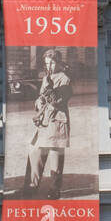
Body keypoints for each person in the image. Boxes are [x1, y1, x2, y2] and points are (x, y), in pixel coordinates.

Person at [22, 49, 72, 199]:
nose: (48, 66)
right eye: (46, 63)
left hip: (57, 120)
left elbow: (59, 101)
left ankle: (54, 189)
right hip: (44, 121)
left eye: (51, 63)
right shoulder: (46, 78)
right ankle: (32, 185)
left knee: (56, 156)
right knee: (35, 151)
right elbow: (41, 97)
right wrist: (38, 101)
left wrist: (50, 90)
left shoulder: (65, 78)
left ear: (57, 62)